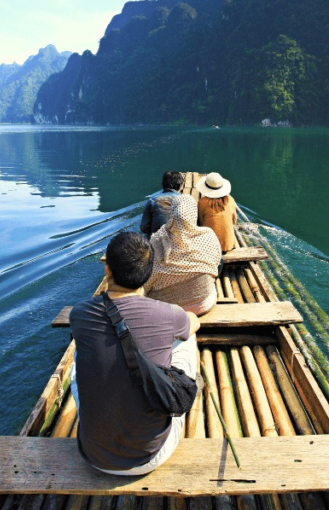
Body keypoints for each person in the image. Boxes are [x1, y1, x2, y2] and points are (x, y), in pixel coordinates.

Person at [69, 231, 200, 475]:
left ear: (107, 269)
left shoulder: (79, 313)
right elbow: (193, 323)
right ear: (148, 273)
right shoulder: (168, 313)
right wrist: (187, 318)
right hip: (150, 454)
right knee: (188, 337)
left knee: (78, 356)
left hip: (94, 455)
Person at [146, 198, 222, 315]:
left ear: (172, 214)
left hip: (167, 309)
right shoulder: (208, 235)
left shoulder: (157, 241)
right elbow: (216, 263)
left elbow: (147, 281)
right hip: (204, 303)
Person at [196, 172, 238, 253]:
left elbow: (201, 222)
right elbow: (234, 221)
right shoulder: (230, 200)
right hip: (228, 245)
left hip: (210, 247)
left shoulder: (202, 202)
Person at [140, 171, 190, 237]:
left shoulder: (152, 200)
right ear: (179, 186)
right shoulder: (186, 200)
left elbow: (144, 228)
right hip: (179, 240)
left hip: (158, 239)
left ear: (163, 184)